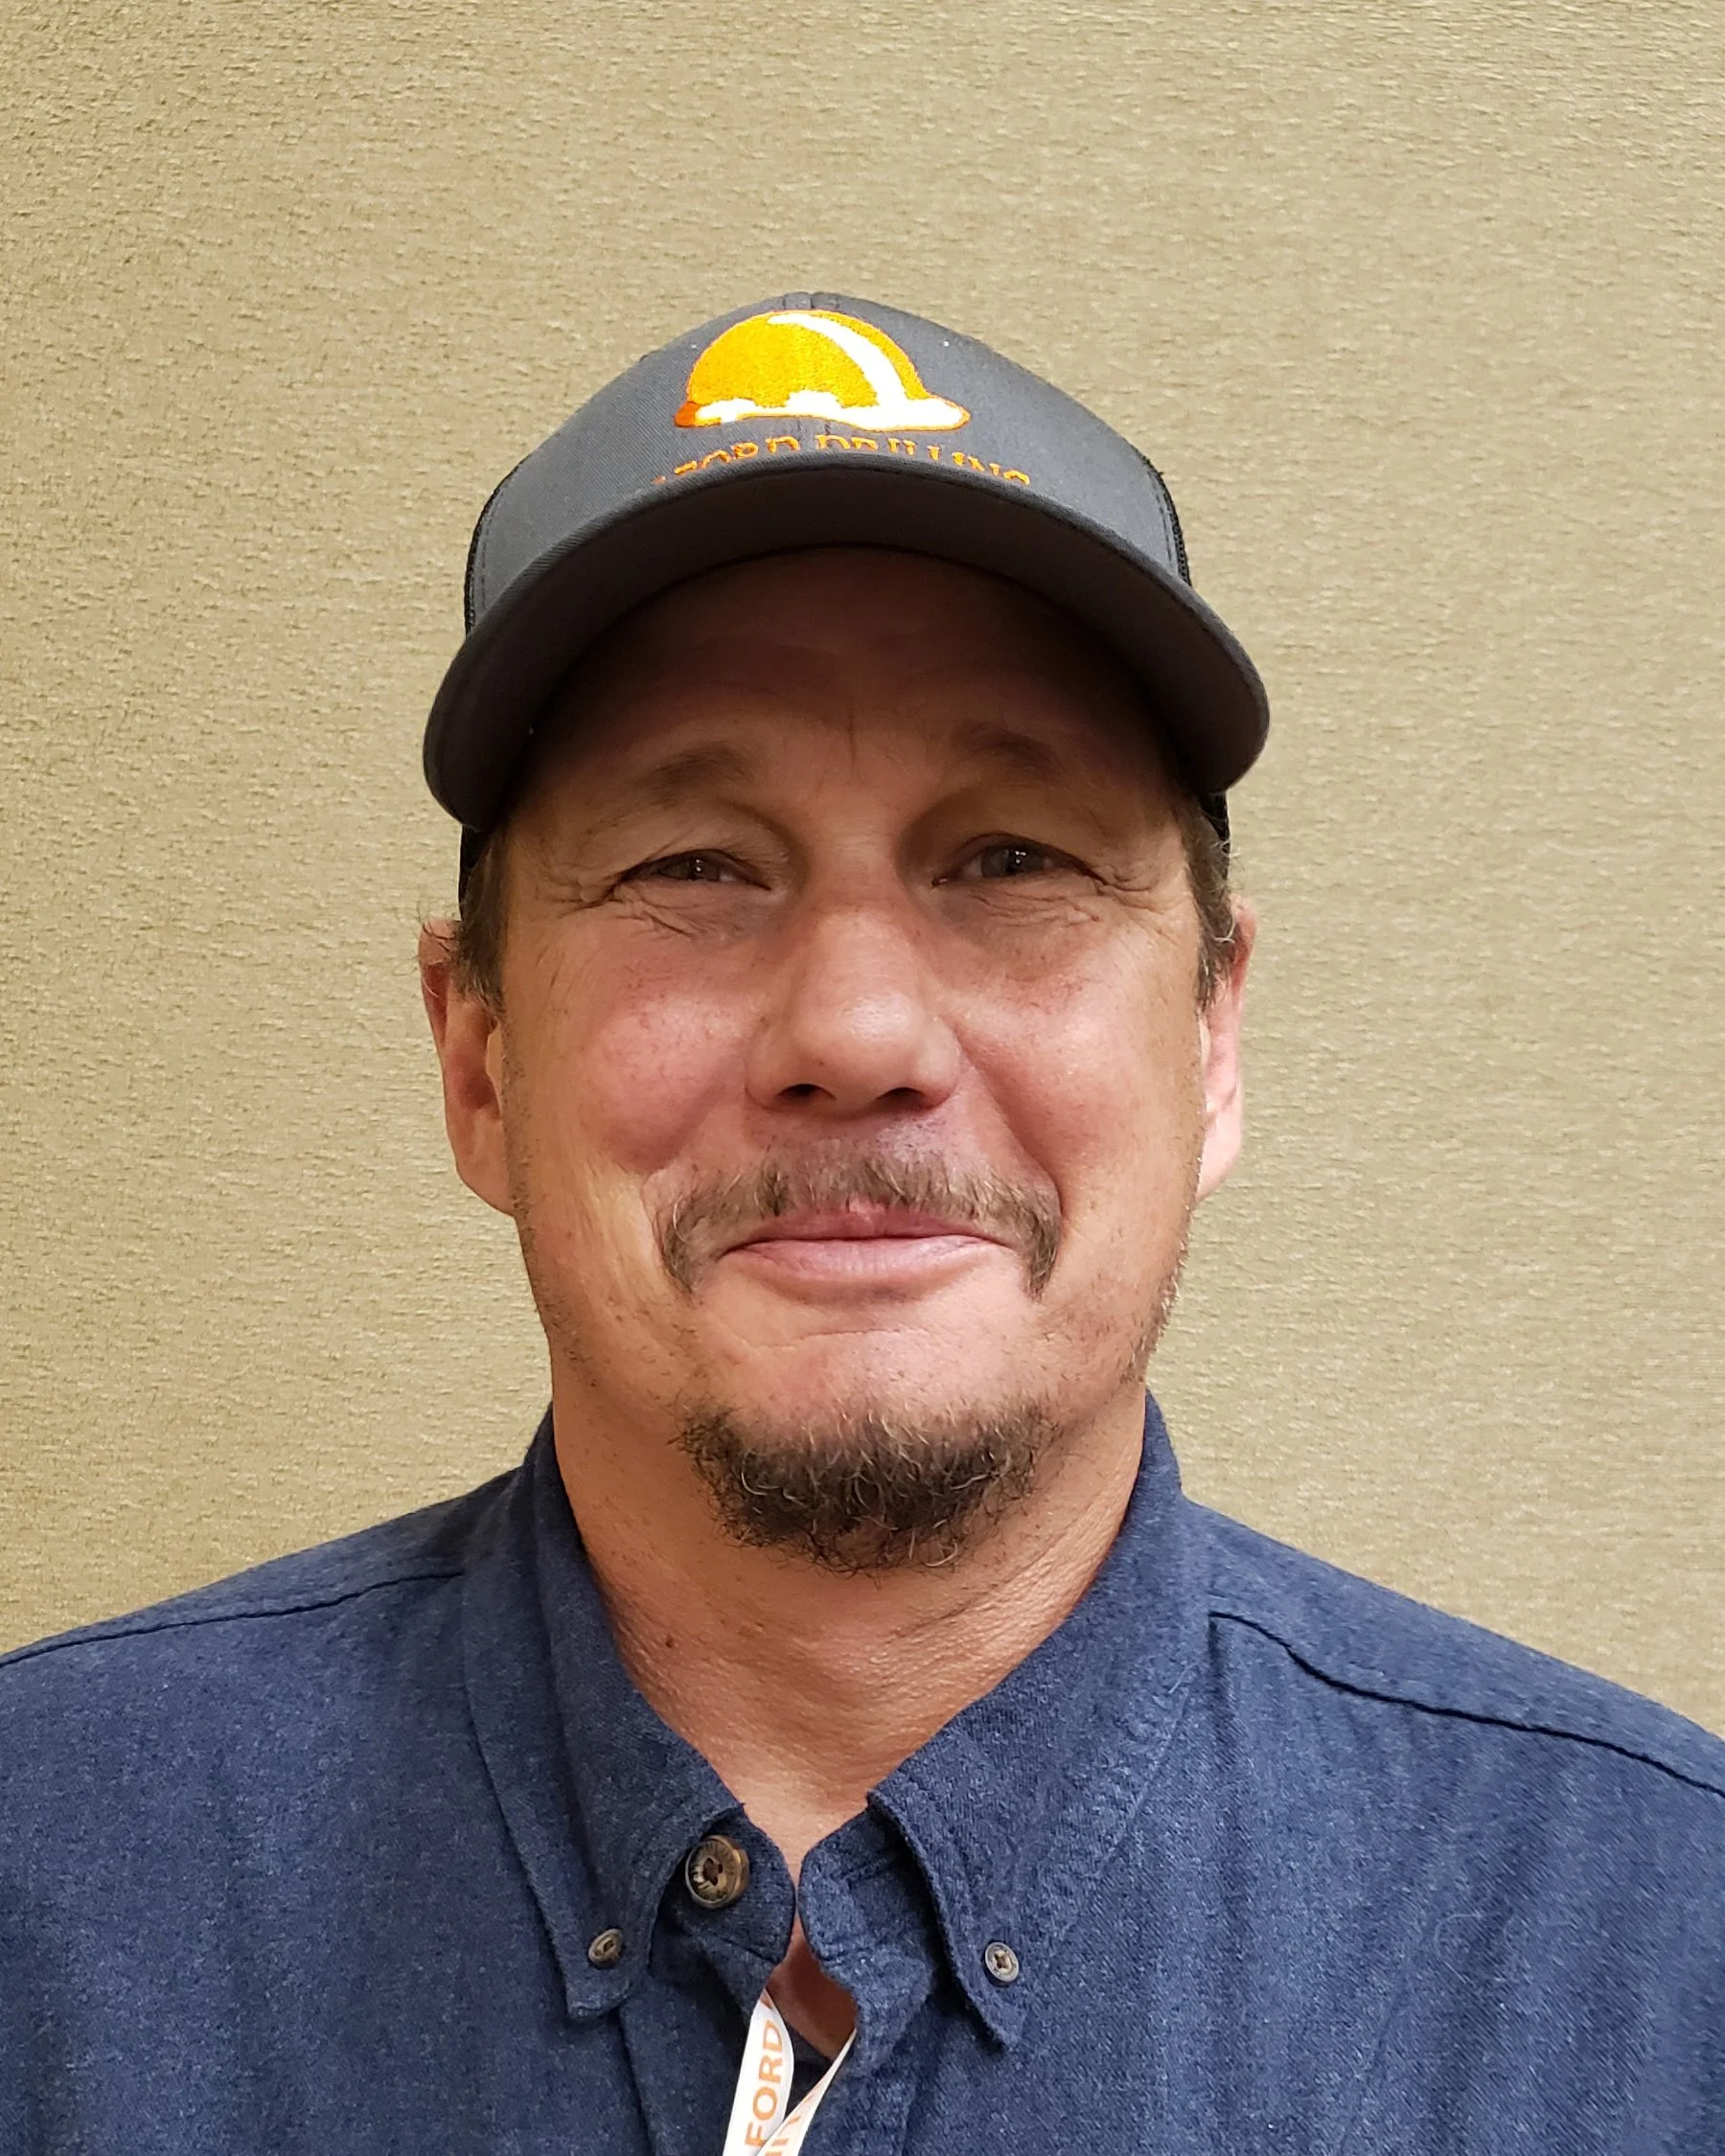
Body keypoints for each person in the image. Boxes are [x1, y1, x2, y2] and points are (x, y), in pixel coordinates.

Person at [1, 294, 1719, 2155]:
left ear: (1212, 1037)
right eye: (692, 866)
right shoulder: (49, 1887)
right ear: (479, 1059)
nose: (860, 1032)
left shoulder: (1655, 1947)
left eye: (1015, 860)